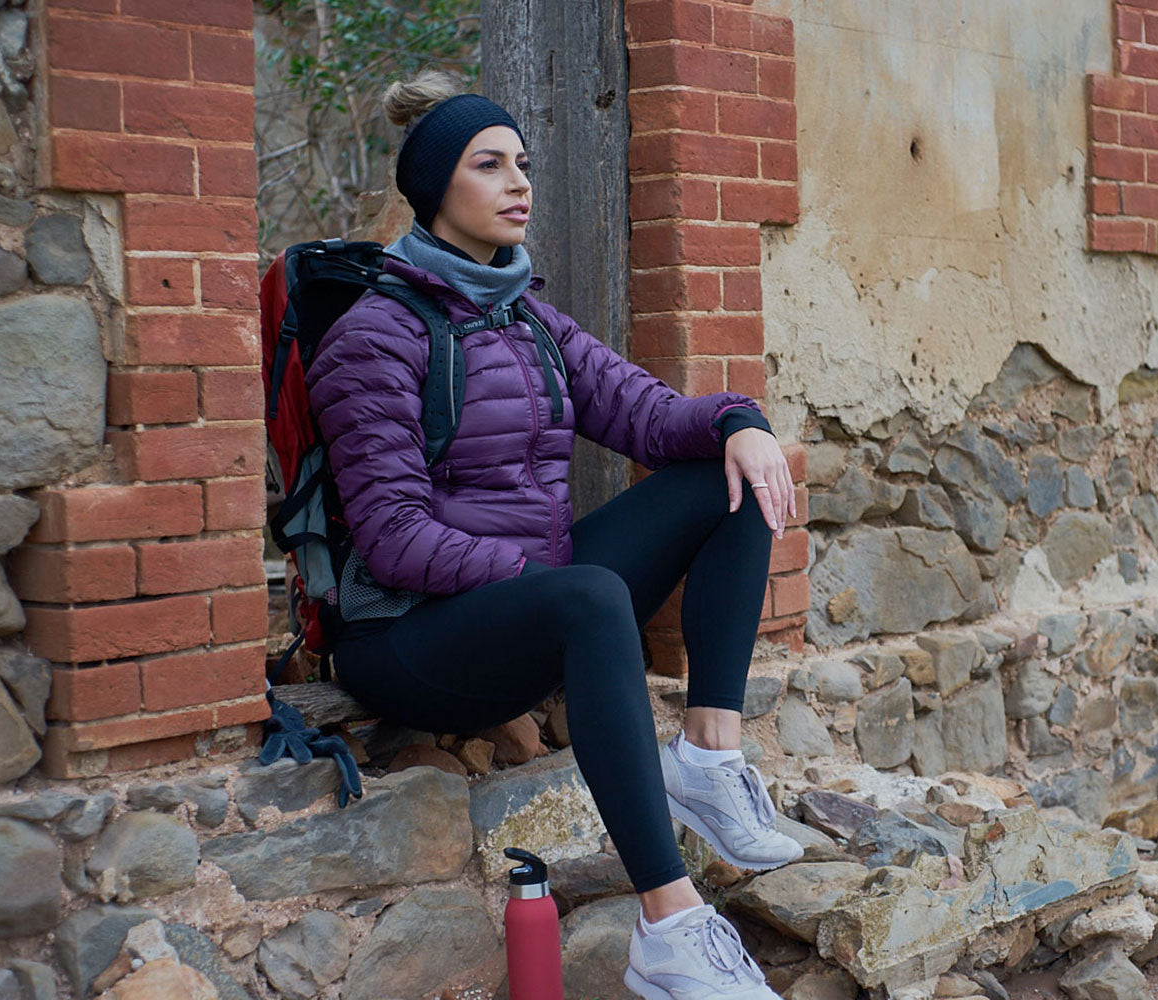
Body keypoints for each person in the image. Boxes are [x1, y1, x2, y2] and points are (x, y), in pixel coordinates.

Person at [304, 70, 801, 1000]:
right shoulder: (374, 338)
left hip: (530, 609)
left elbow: (651, 417)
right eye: (489, 165)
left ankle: (708, 757)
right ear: (434, 191)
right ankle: (673, 929)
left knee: (724, 482)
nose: (519, 183)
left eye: (522, 164)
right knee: (586, 591)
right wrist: (533, 576)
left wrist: (740, 419)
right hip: (411, 640)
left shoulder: (529, 320)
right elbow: (392, 538)